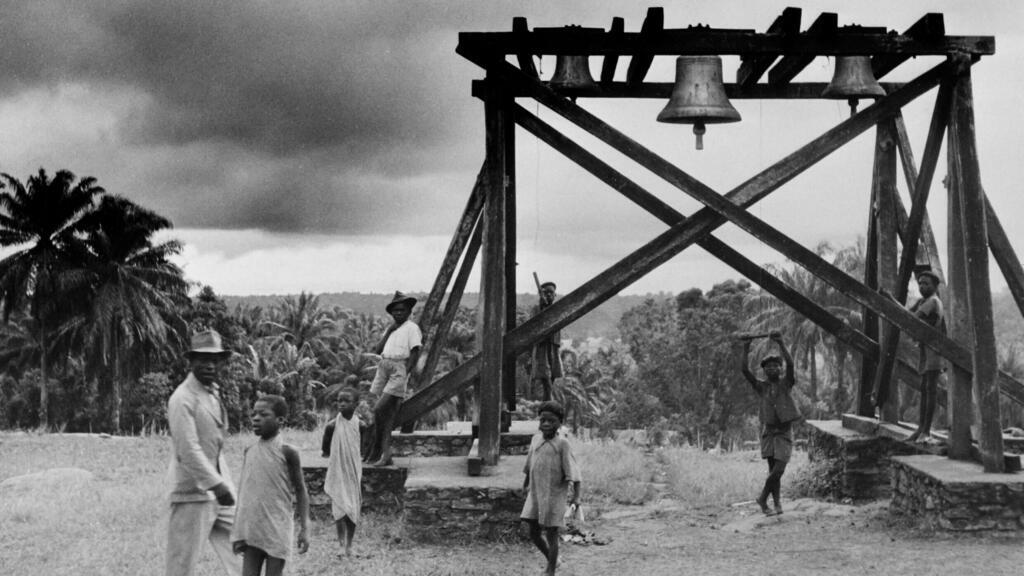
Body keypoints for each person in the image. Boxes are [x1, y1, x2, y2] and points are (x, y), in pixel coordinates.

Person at [166, 329, 242, 576]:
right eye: (203, 359)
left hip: (221, 488)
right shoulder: (182, 398)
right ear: (191, 361)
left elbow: (214, 442)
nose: (210, 365)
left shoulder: (211, 393)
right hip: (192, 491)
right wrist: (216, 485)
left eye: (214, 360)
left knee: (246, 546)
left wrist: (222, 483)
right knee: (182, 565)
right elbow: (187, 449)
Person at [231, 395, 310, 576]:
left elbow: (300, 490)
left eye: (263, 414)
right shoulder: (249, 451)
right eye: (254, 414)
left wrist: (305, 528)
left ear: (280, 420)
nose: (256, 418)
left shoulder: (288, 452)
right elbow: (244, 491)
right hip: (252, 527)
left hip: (277, 526)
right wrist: (239, 526)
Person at [740, 332, 800, 516]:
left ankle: (762, 499)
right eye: (768, 367)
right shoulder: (761, 386)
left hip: (784, 432)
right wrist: (746, 346)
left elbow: (790, 364)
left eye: (776, 366)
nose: (772, 368)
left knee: (779, 469)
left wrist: (781, 343)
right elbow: (744, 370)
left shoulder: (786, 383)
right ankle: (776, 504)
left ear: (780, 369)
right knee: (773, 470)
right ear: (764, 371)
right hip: (769, 432)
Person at [521, 401, 582, 576]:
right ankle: (553, 559)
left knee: (551, 533)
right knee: (533, 532)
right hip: (535, 494)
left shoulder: (562, 444)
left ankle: (551, 570)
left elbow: (575, 473)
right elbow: (530, 465)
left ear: (559, 423)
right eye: (543, 420)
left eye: (551, 421)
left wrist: (577, 497)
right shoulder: (535, 440)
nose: (546, 424)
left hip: (554, 496)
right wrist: (525, 483)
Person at [366, 291, 422, 466]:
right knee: (383, 412)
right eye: (395, 310)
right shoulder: (391, 329)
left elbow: (415, 352)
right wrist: (389, 331)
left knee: (379, 409)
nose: (398, 313)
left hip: (399, 368)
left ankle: (381, 450)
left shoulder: (412, 328)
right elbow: (378, 350)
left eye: (402, 310)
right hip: (384, 366)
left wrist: (405, 373)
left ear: (409, 312)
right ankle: (380, 452)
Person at [905, 267, 946, 442]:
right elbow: (907, 313)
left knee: (930, 389)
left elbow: (911, 317)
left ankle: (926, 431)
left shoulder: (933, 301)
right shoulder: (924, 301)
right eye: (920, 283)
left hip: (933, 351)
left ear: (935, 286)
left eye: (926, 284)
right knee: (925, 389)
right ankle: (921, 429)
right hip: (926, 349)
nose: (922, 286)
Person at [323, 387, 364, 558]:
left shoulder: (360, 425)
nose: (341, 404)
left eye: (346, 401)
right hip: (338, 470)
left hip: (353, 470)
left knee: (352, 507)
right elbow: (325, 449)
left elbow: (364, 447)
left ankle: (349, 545)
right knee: (339, 506)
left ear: (356, 404)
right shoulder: (332, 426)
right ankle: (341, 544)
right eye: (339, 400)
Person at [531, 281, 563, 401]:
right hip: (542, 346)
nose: (548, 295)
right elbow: (533, 325)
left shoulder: (558, 308)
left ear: (555, 295)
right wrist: (541, 307)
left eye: (551, 292)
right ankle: (548, 401)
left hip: (553, 345)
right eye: (545, 293)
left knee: (553, 374)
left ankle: (547, 401)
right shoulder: (536, 309)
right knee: (545, 376)